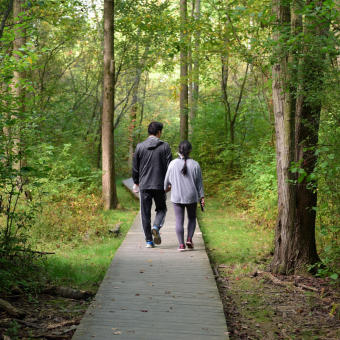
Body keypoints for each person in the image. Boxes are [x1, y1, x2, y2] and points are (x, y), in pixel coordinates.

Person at [132, 122, 172, 248]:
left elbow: (135, 168)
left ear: (149, 132)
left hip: (144, 185)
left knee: (145, 213)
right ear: (159, 132)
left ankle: (149, 241)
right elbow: (169, 166)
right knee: (162, 209)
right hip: (160, 185)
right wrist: (169, 183)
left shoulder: (139, 147)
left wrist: (136, 182)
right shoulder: (165, 146)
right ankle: (156, 226)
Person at [164, 141, 205, 251]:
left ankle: (181, 245)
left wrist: (166, 189)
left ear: (179, 150)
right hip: (191, 196)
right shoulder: (195, 164)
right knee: (192, 218)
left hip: (177, 196)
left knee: (179, 220)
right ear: (190, 150)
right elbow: (199, 183)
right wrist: (202, 197)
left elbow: (166, 181)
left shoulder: (172, 163)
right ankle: (189, 239)